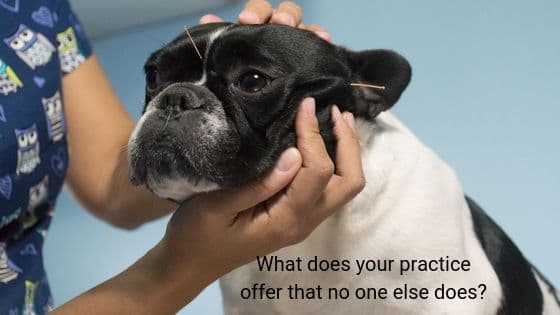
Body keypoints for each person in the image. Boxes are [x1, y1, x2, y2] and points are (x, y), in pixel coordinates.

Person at [0, 0, 364, 314]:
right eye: (160, 79)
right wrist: (179, 268)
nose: (173, 102)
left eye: (251, 81)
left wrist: (292, 79)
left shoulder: (38, 10)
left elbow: (111, 188)